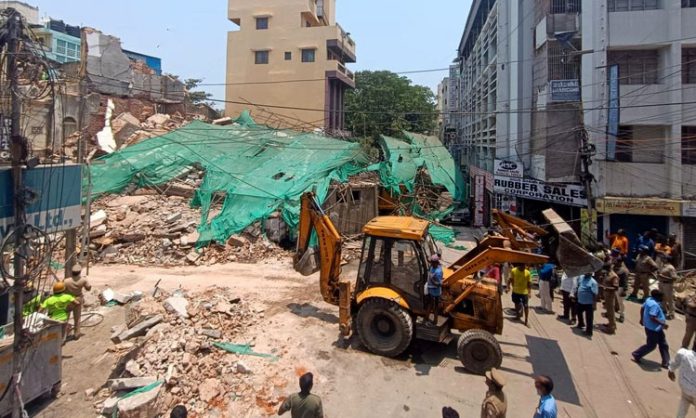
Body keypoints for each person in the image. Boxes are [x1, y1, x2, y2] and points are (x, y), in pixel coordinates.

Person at [632, 289, 670, 368]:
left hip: (655, 328)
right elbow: (653, 317)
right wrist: (662, 323)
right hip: (653, 329)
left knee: (663, 344)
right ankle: (637, 354)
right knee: (651, 345)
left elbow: (642, 308)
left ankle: (666, 362)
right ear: (657, 297)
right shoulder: (654, 305)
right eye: (661, 297)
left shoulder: (649, 299)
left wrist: (642, 319)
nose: (663, 298)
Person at [64, 263, 92, 339]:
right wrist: (86, 280)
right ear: (79, 272)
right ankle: (76, 334)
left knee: (65, 318)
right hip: (78, 299)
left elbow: (62, 290)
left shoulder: (66, 281)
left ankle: (63, 335)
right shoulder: (83, 280)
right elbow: (88, 288)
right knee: (77, 318)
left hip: (68, 300)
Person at [669, 347, 696, 418]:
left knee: (683, 407)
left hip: (685, 387)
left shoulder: (684, 353)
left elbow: (675, 362)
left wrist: (671, 370)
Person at [657, 255, 678, 320]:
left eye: (664, 258)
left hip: (668, 285)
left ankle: (672, 314)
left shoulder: (671, 268)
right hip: (662, 284)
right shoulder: (663, 266)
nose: (662, 259)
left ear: (667, 260)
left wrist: (663, 277)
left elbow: (674, 278)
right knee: (662, 298)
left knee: (670, 299)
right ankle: (663, 310)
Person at [600, 267, 619, 335]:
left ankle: (611, 329)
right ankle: (610, 324)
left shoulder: (614, 276)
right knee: (608, 311)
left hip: (611, 296)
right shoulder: (607, 274)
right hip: (607, 295)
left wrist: (605, 287)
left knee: (611, 312)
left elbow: (615, 287)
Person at [612, 254, 629, 323]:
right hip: (613, 287)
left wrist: (624, 290)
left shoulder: (623, 270)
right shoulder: (614, 268)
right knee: (612, 301)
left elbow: (625, 281)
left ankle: (622, 315)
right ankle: (611, 313)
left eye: (617, 261)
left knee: (621, 302)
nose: (615, 262)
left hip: (620, 288)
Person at [426, 255, 444, 324]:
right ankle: (427, 317)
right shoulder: (433, 266)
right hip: (431, 289)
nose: (431, 263)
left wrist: (432, 279)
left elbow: (439, 284)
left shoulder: (438, 272)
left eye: (432, 262)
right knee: (430, 304)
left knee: (434, 306)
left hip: (435, 292)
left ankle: (435, 320)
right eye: (431, 262)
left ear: (436, 263)